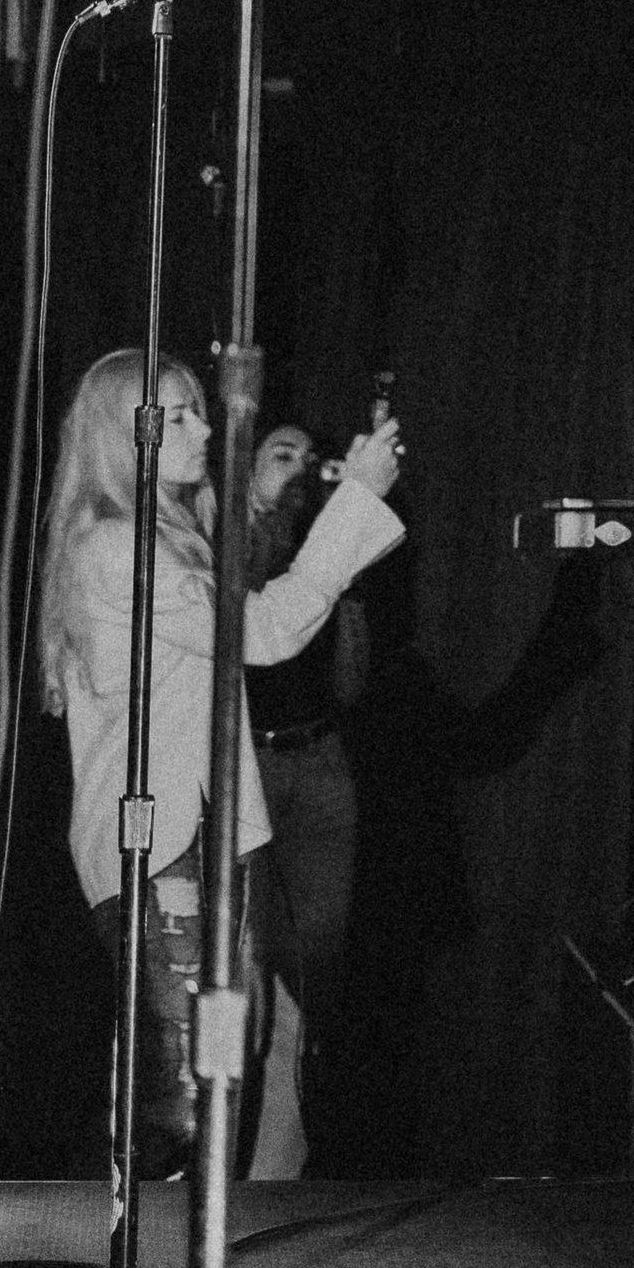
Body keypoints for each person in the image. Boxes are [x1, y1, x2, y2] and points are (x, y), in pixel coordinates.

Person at [36, 350, 405, 1177]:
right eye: (182, 416)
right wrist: (358, 500)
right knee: (188, 1088)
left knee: (247, 1051)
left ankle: (228, 1250)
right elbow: (263, 632)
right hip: (166, 846)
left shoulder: (165, 538)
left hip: (204, 836)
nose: (207, 428)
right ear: (128, 434)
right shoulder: (114, 549)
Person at [243, 412, 387, 1169]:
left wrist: (352, 594)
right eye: (281, 453)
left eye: (311, 458)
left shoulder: (327, 554)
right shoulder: (212, 547)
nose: (299, 470)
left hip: (320, 762)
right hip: (249, 772)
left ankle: (276, 1179)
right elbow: (254, 639)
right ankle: (201, 1179)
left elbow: (350, 686)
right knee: (242, 990)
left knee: (307, 990)